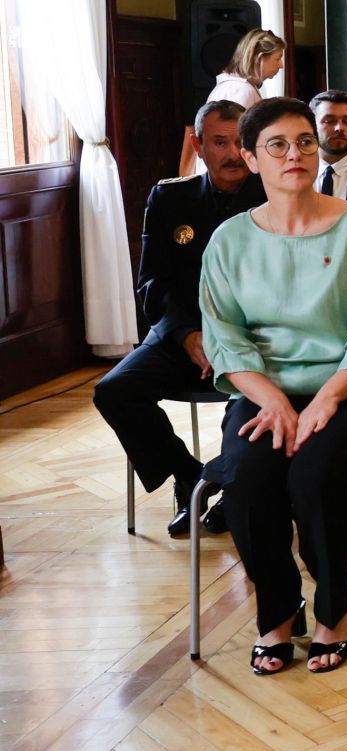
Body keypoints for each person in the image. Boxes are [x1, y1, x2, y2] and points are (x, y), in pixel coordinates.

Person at [196, 97, 347, 675]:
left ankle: (334, 612)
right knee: (246, 476)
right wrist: (276, 402)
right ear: (250, 157)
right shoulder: (229, 241)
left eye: (305, 142)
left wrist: (327, 399)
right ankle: (277, 612)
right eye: (278, 145)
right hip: (263, 394)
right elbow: (225, 339)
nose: (296, 154)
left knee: (315, 472)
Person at [93, 100, 261, 537]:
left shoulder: (271, 198)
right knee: (115, 391)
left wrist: (228, 340)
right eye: (219, 142)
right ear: (198, 145)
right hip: (183, 337)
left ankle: (237, 492)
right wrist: (187, 334)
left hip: (254, 341)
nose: (230, 153)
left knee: (248, 403)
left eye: (239, 142)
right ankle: (191, 477)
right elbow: (152, 283)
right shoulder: (170, 197)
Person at [208, 29, 285, 108]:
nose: (281, 65)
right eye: (277, 58)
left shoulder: (239, 87)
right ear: (259, 59)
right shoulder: (240, 90)